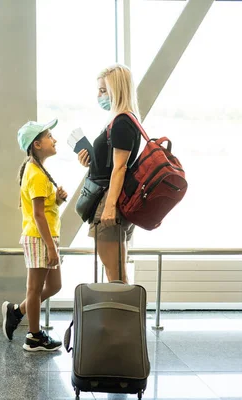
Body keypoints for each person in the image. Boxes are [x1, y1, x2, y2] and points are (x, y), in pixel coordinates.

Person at [1, 119, 68, 352]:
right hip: (40, 238)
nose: (54, 139)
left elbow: (43, 210)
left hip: (45, 236)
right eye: (50, 136)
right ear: (37, 144)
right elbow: (38, 216)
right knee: (35, 289)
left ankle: (17, 312)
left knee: (55, 285)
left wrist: (57, 200)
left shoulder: (38, 170)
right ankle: (34, 336)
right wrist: (51, 247)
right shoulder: (37, 174)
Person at [77, 64, 142, 283]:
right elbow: (112, 166)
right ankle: (120, 317)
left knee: (115, 275)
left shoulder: (122, 123)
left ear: (117, 91)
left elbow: (120, 168)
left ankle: (122, 317)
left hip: (109, 202)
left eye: (103, 90)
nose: (99, 95)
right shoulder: (123, 120)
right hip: (114, 199)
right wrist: (91, 163)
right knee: (116, 272)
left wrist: (109, 207)